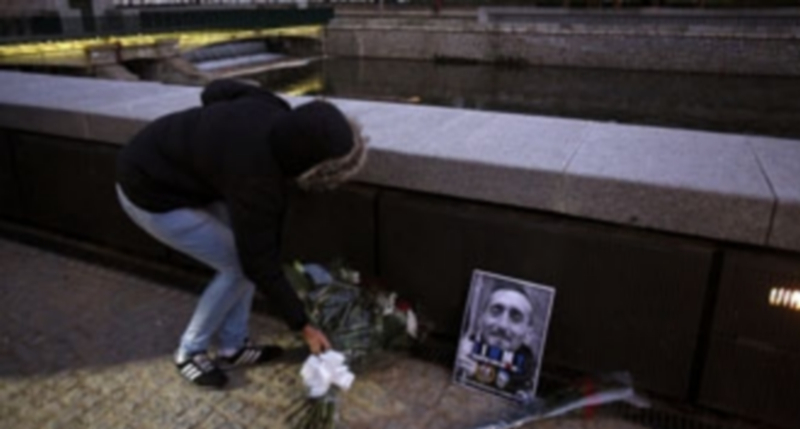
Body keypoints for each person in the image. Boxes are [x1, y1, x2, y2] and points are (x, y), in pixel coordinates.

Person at [115, 78, 368, 388]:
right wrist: (304, 326)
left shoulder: (272, 106)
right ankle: (190, 352)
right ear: (311, 169)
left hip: (154, 157)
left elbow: (213, 92)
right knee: (239, 265)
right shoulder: (258, 183)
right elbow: (259, 264)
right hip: (148, 193)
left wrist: (217, 139)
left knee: (245, 257)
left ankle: (233, 347)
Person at [457, 279, 537, 399]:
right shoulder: (466, 344)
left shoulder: (527, 362)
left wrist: (477, 372)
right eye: (495, 311)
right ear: (481, 318)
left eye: (516, 317)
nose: (502, 325)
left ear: (528, 331)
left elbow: (512, 387)